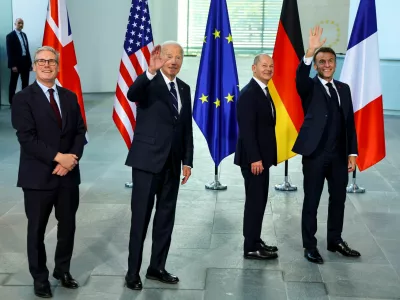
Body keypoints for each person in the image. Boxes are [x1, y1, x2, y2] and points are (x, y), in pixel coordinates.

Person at [11, 46, 86, 298]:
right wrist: (59, 158)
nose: (46, 65)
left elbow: (79, 132)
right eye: (41, 61)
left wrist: (71, 160)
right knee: (37, 230)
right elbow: (27, 138)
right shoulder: (22, 99)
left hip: (68, 176)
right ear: (33, 66)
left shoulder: (69, 96)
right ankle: (40, 278)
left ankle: (62, 270)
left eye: (51, 61)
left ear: (57, 65)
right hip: (38, 177)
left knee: (68, 227)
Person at [124, 41, 194, 290]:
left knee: (165, 218)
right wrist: (150, 71)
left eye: (178, 57)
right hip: (146, 162)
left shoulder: (184, 88)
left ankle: (157, 267)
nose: (173, 61)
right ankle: (132, 272)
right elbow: (132, 94)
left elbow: (186, 128)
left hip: (173, 165)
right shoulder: (149, 84)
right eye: (169, 56)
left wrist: (188, 161)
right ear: (160, 58)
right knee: (141, 218)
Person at [293, 25, 361, 264]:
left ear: (335, 63)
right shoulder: (309, 87)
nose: (327, 65)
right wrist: (310, 52)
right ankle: (309, 245)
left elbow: (350, 123)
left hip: (339, 156)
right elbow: (300, 77)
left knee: (338, 199)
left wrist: (352, 152)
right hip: (315, 154)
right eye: (321, 62)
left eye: (330, 61)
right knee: (312, 200)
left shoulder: (344, 89)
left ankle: (335, 240)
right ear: (317, 65)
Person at [234, 54, 279, 260]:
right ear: (254, 68)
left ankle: (255, 238)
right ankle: (250, 246)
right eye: (264, 65)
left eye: (271, 66)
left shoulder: (263, 91)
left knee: (259, 201)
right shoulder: (249, 93)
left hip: (262, 159)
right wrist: (255, 158)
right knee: (254, 202)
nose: (268, 69)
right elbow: (247, 131)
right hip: (254, 161)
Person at [6, 18, 32, 105]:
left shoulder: (24, 35)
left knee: (25, 83)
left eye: (22, 23)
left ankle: (25, 101)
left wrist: (30, 63)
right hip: (16, 64)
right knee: (13, 83)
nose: (21, 25)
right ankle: (12, 102)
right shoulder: (10, 36)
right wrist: (13, 65)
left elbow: (26, 50)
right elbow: (9, 52)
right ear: (15, 24)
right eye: (19, 23)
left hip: (25, 62)